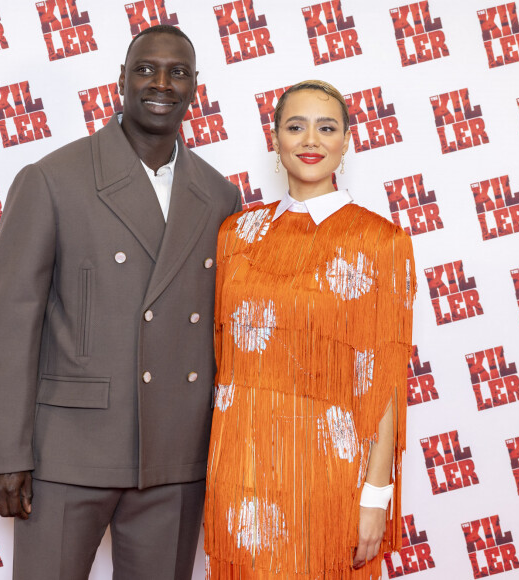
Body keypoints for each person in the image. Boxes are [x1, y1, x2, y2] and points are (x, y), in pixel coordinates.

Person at [0, 24, 241, 580]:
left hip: (175, 454)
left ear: (196, 87)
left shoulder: (220, 196)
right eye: (146, 69)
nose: (161, 83)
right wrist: (5, 454)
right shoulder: (53, 179)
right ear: (120, 80)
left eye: (178, 72)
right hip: (69, 451)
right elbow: (11, 320)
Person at [204, 80, 416, 579]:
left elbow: (383, 381)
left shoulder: (379, 240)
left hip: (328, 471)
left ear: (347, 140)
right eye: (295, 127)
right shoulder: (236, 233)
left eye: (326, 127)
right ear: (275, 140)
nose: (310, 141)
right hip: (240, 462)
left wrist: (375, 494)